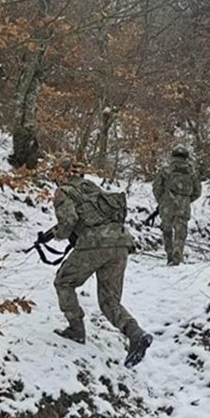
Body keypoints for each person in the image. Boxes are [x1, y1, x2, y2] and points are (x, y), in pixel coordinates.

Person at [41, 156, 153, 367]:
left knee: (64, 282)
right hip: (121, 243)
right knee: (109, 301)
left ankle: (76, 329)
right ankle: (136, 334)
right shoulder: (93, 188)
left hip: (95, 243)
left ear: (60, 175)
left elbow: (69, 222)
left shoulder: (63, 192)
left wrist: (57, 234)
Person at [151, 145, 202, 265]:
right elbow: (197, 191)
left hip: (167, 205)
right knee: (180, 233)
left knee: (167, 231)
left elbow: (156, 188)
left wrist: (162, 201)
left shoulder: (165, 171)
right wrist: (186, 200)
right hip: (183, 207)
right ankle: (178, 255)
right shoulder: (191, 173)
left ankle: (169, 255)